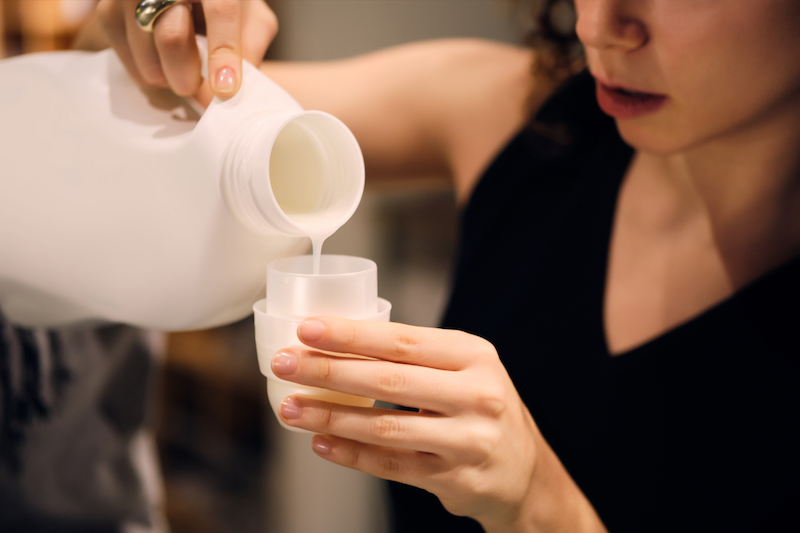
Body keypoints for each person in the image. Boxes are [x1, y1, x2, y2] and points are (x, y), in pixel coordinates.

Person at [56, 0, 800, 531]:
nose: (598, 25)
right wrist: (153, 20)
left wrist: (538, 506)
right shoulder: (521, 111)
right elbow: (147, 99)